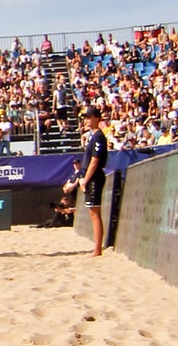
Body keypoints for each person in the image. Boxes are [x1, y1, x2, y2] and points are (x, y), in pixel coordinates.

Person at [79, 107, 109, 256]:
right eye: (85, 117)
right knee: (93, 212)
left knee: (95, 212)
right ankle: (96, 248)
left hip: (95, 177)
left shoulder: (98, 136)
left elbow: (94, 161)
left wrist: (85, 180)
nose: (86, 120)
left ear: (97, 118)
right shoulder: (92, 136)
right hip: (92, 176)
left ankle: (97, 249)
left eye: (89, 117)